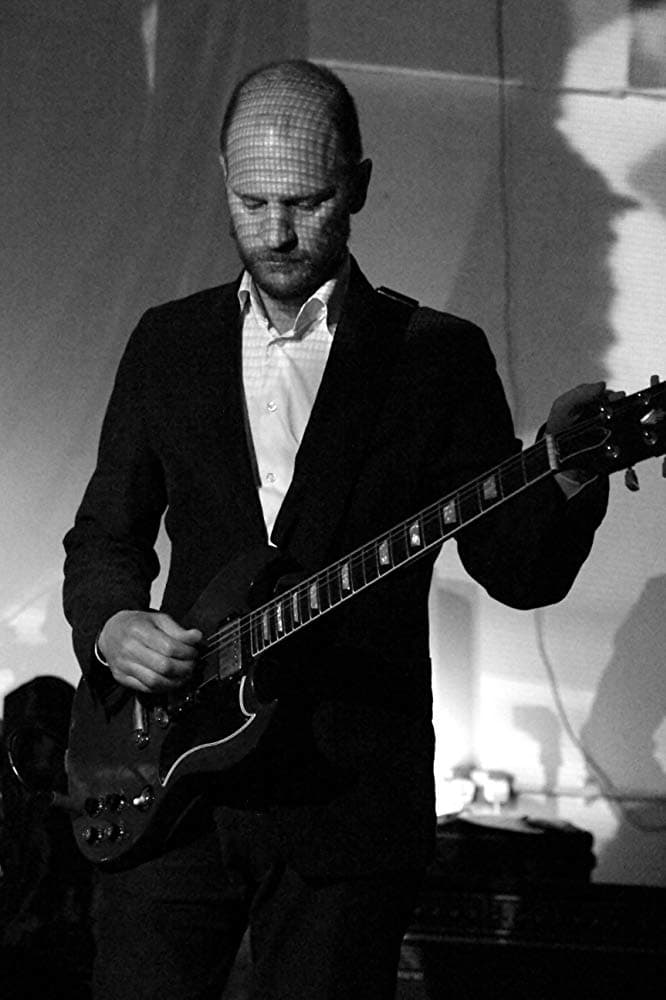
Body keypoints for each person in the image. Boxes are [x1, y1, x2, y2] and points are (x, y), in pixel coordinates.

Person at [63, 59, 609, 1000]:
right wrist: (114, 625)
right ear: (222, 179)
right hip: (169, 781)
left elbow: (517, 571)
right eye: (252, 202)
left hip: (346, 798)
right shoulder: (168, 342)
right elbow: (105, 536)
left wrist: (565, 473)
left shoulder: (436, 358)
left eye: (307, 202)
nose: (276, 232)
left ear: (358, 184)